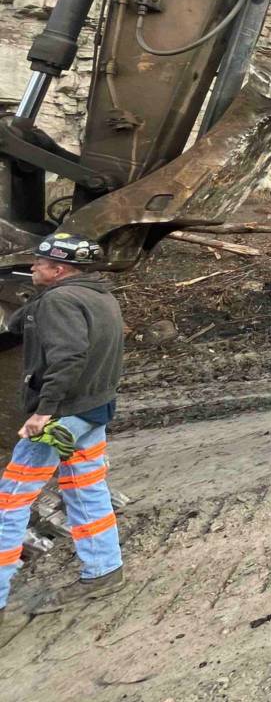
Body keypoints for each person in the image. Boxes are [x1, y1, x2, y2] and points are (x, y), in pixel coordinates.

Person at [0, 232, 125, 643]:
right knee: (85, 491)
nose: (32, 267)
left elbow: (68, 356)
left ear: (59, 270)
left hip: (61, 420)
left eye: (38, 264)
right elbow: (22, 326)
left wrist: (43, 412)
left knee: (9, 502)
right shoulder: (98, 296)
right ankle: (104, 571)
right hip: (94, 410)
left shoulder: (59, 301)